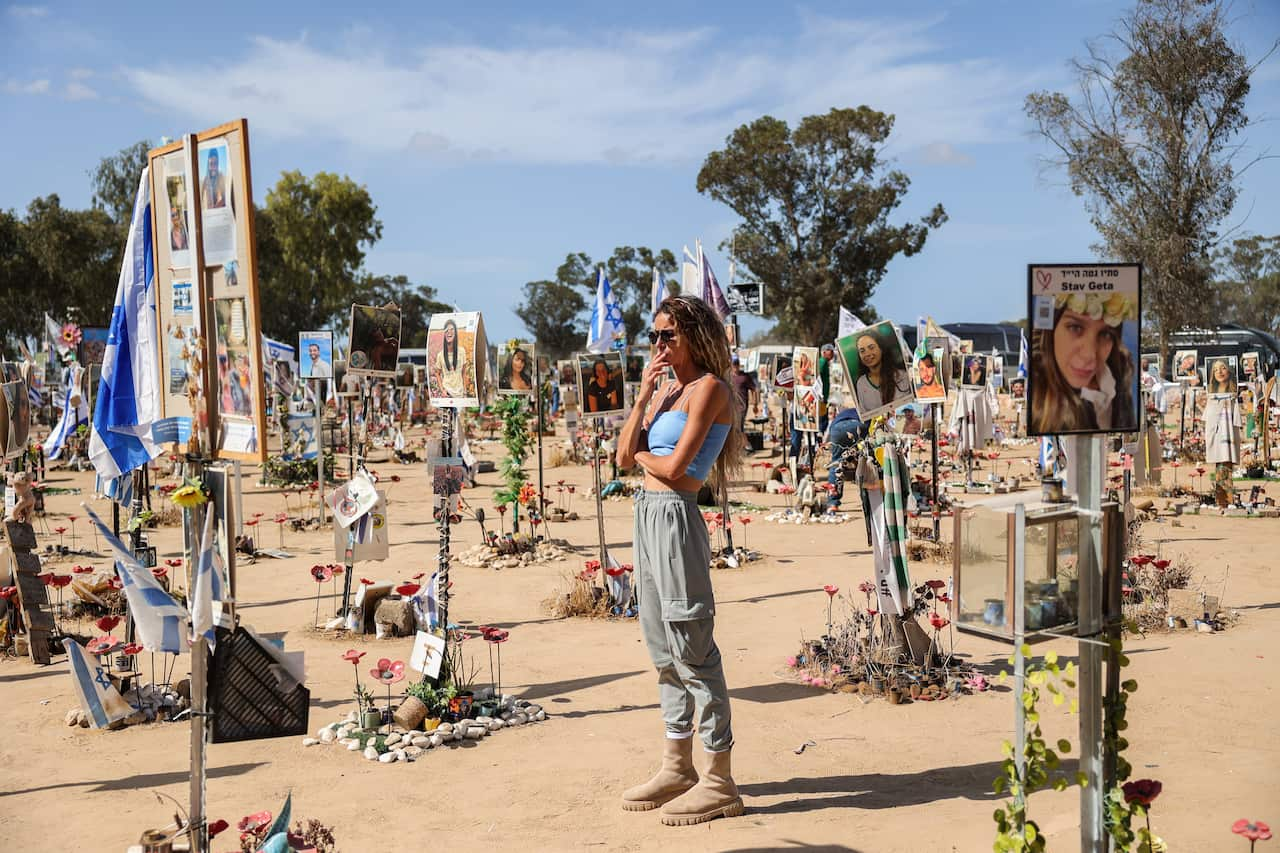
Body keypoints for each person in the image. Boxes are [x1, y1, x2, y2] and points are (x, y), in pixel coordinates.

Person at [615, 294, 745, 826]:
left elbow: (676, 471)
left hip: (675, 515)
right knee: (660, 644)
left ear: (694, 334)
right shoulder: (666, 389)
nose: (659, 345)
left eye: (668, 334)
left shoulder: (711, 389)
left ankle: (719, 779)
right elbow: (623, 458)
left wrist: (645, 459)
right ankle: (678, 765)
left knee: (692, 645)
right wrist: (644, 396)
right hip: (646, 514)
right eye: (654, 336)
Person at [1029, 293, 1137, 433]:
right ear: (1051, 331)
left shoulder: (1121, 377)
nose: (1090, 355)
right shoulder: (1037, 402)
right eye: (1075, 327)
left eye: (1105, 334)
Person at [850, 327, 911, 415]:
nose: (867, 354)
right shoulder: (861, 383)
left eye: (871, 348)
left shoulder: (902, 376)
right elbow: (864, 415)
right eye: (862, 351)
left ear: (881, 348)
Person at [824, 406, 866, 512]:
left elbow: (828, 436)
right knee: (867, 462)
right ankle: (868, 501)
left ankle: (833, 503)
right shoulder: (865, 409)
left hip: (837, 429)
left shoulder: (841, 415)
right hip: (859, 425)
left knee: (836, 463)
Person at [433, 319, 470, 399]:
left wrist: (465, 391)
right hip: (447, 393)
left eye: (452, 329)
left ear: (455, 333)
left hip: (459, 393)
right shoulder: (440, 355)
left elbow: (464, 373)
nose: (449, 332)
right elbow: (437, 373)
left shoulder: (462, 351)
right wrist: (442, 390)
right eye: (446, 330)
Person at [730, 356, 757, 431]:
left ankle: (739, 441)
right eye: (734, 364)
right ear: (731, 364)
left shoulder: (745, 377)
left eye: (737, 363)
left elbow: (754, 389)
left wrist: (755, 404)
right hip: (730, 405)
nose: (735, 366)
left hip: (742, 405)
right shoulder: (728, 376)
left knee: (739, 426)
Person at [817, 343, 835, 433]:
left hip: (824, 397)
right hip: (821, 397)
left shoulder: (825, 362)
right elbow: (817, 376)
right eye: (830, 351)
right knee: (822, 422)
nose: (832, 353)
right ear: (824, 352)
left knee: (824, 420)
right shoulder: (822, 362)